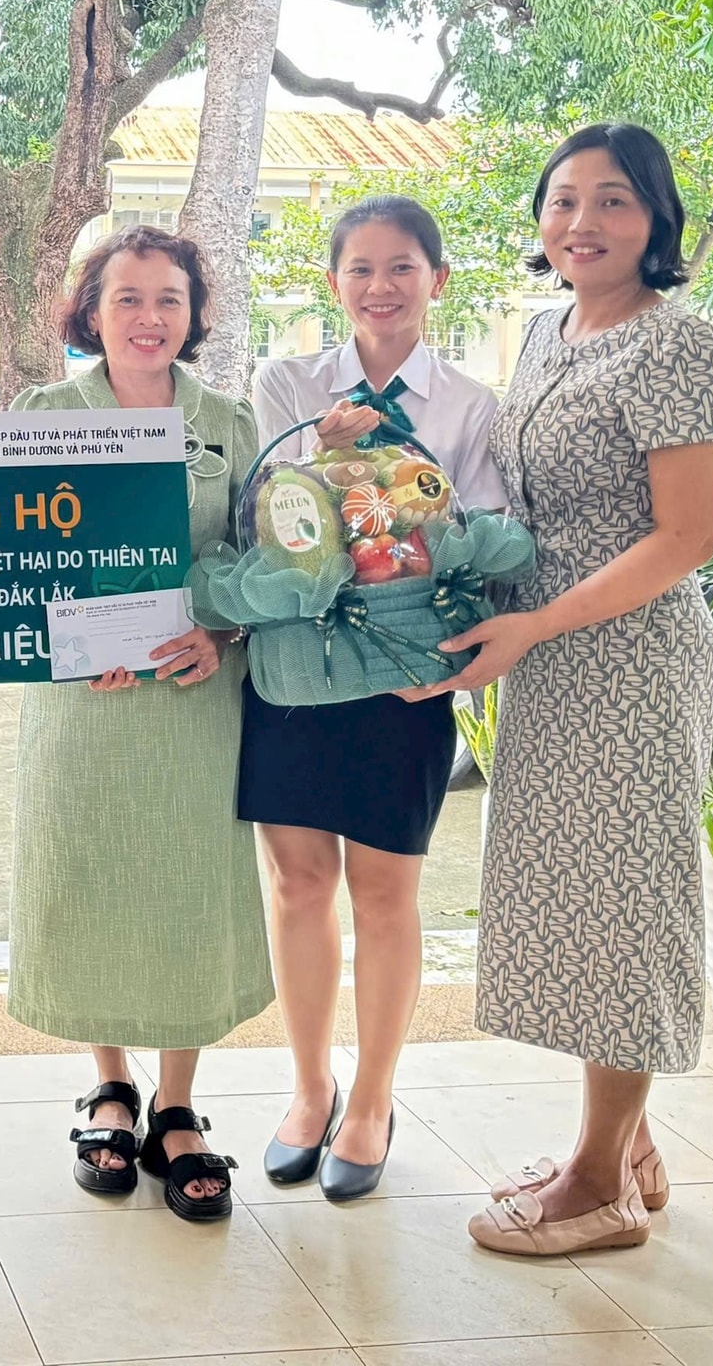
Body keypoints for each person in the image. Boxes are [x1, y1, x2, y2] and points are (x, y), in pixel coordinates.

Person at [419, 125, 713, 1257]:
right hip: (549, 661)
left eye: (613, 200)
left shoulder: (678, 345)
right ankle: (627, 1148)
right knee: (584, 901)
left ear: (656, 219)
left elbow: (686, 537)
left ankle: (598, 1186)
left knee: (626, 906)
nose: (583, 223)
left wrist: (536, 625)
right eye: (563, 200)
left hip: (631, 663)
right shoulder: (550, 334)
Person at [7, 225, 273, 1221]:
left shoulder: (230, 422)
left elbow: (259, 560)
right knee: (90, 877)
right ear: (93, 309)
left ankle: (178, 1105)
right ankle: (111, 1087)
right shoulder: (43, 414)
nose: (149, 317)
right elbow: (4, 557)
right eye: (128, 298)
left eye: (169, 299)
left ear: (195, 314)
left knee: (186, 891)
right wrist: (72, 641)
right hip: (83, 706)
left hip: (192, 700)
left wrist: (222, 630)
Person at [245, 196, 505, 1202]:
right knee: (297, 885)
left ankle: (374, 1098)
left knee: (387, 892)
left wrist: (398, 477)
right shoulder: (287, 385)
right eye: (360, 268)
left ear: (438, 281)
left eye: (402, 268)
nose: (381, 287)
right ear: (333, 283)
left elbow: (479, 539)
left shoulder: (472, 406)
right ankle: (310, 1087)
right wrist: (325, 455)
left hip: (405, 671)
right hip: (298, 673)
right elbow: (273, 522)